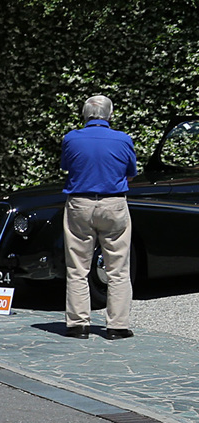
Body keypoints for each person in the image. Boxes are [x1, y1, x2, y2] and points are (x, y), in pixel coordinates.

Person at [58, 94, 137, 339]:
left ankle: (78, 324)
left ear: (84, 115)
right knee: (118, 268)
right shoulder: (123, 139)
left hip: (80, 203)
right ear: (109, 115)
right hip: (113, 203)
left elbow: (67, 167)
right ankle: (117, 325)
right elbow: (130, 173)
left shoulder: (71, 138)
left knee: (77, 267)